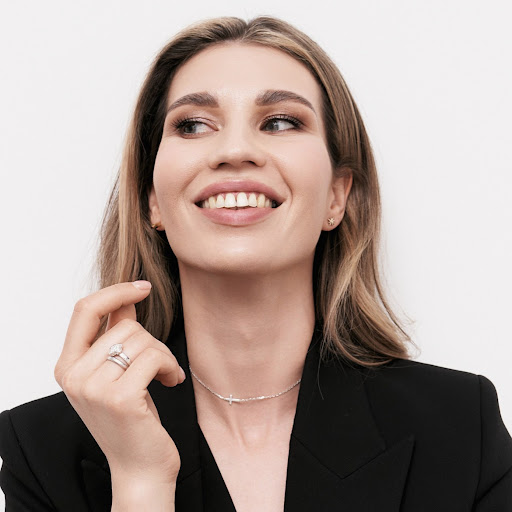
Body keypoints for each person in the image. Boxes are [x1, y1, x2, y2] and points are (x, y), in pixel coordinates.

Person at [0, 15, 511, 512]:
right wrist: (140, 482)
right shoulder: (41, 450)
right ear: (152, 199)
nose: (235, 149)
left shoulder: (461, 426)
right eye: (193, 125)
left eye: (281, 121)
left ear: (337, 197)